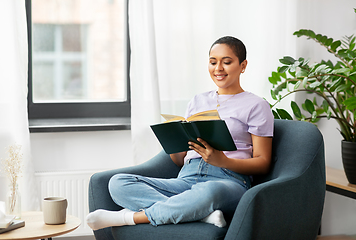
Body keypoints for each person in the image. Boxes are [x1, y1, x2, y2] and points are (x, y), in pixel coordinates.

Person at [86, 36, 274, 230]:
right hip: (186, 178)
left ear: (243, 65)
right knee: (118, 182)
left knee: (208, 192)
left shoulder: (257, 105)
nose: (218, 68)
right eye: (212, 62)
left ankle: (130, 217)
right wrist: (174, 143)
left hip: (227, 181)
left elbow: (263, 162)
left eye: (226, 62)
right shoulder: (197, 101)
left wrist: (222, 161)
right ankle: (199, 213)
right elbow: (179, 160)